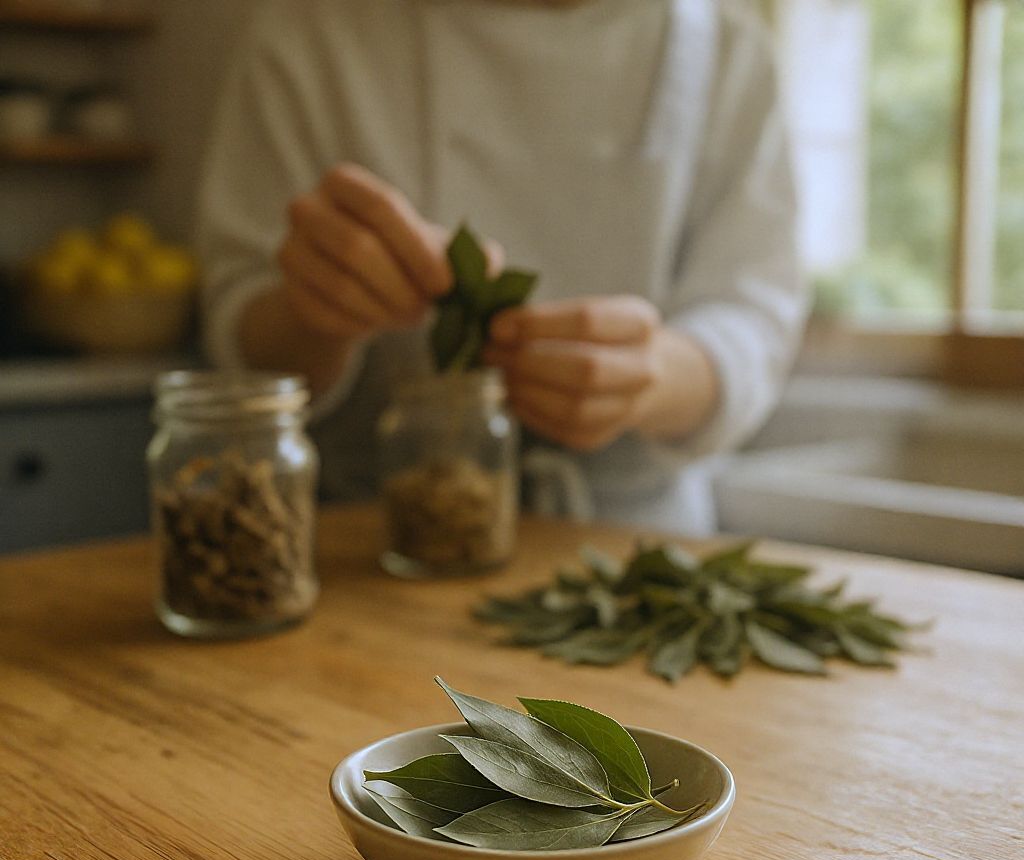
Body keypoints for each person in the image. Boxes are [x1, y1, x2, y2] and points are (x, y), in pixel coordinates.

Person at [198, 0, 805, 532]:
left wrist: (655, 373)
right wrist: (318, 312)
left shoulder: (726, 45)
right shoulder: (310, 35)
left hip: (636, 546)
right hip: (371, 542)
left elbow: (752, 316)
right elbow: (241, 335)